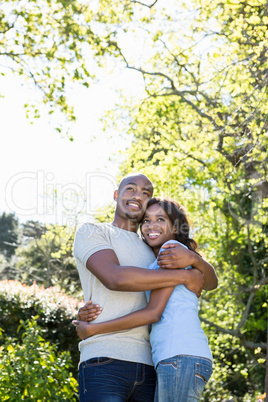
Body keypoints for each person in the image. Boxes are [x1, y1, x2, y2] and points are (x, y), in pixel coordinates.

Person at [73, 173, 217, 401]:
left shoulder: (155, 249)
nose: (138, 195)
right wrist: (183, 276)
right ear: (116, 195)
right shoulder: (94, 232)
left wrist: (196, 263)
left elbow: (205, 284)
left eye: (146, 193)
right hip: (104, 358)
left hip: (150, 364)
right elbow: (115, 278)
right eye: (130, 188)